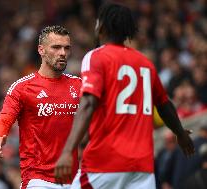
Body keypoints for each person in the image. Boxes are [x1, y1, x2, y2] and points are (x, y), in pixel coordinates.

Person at [54, 3, 195, 189]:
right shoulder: (146, 63)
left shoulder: (96, 57)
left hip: (104, 163)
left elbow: (88, 103)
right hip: (142, 169)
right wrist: (180, 133)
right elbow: (164, 104)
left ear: (101, 27)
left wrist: (67, 151)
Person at [0, 25, 81, 189]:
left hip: (74, 180)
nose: (62, 53)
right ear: (41, 50)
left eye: (66, 48)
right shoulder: (22, 87)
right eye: (56, 47)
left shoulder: (79, 85)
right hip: (38, 180)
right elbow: (4, 119)